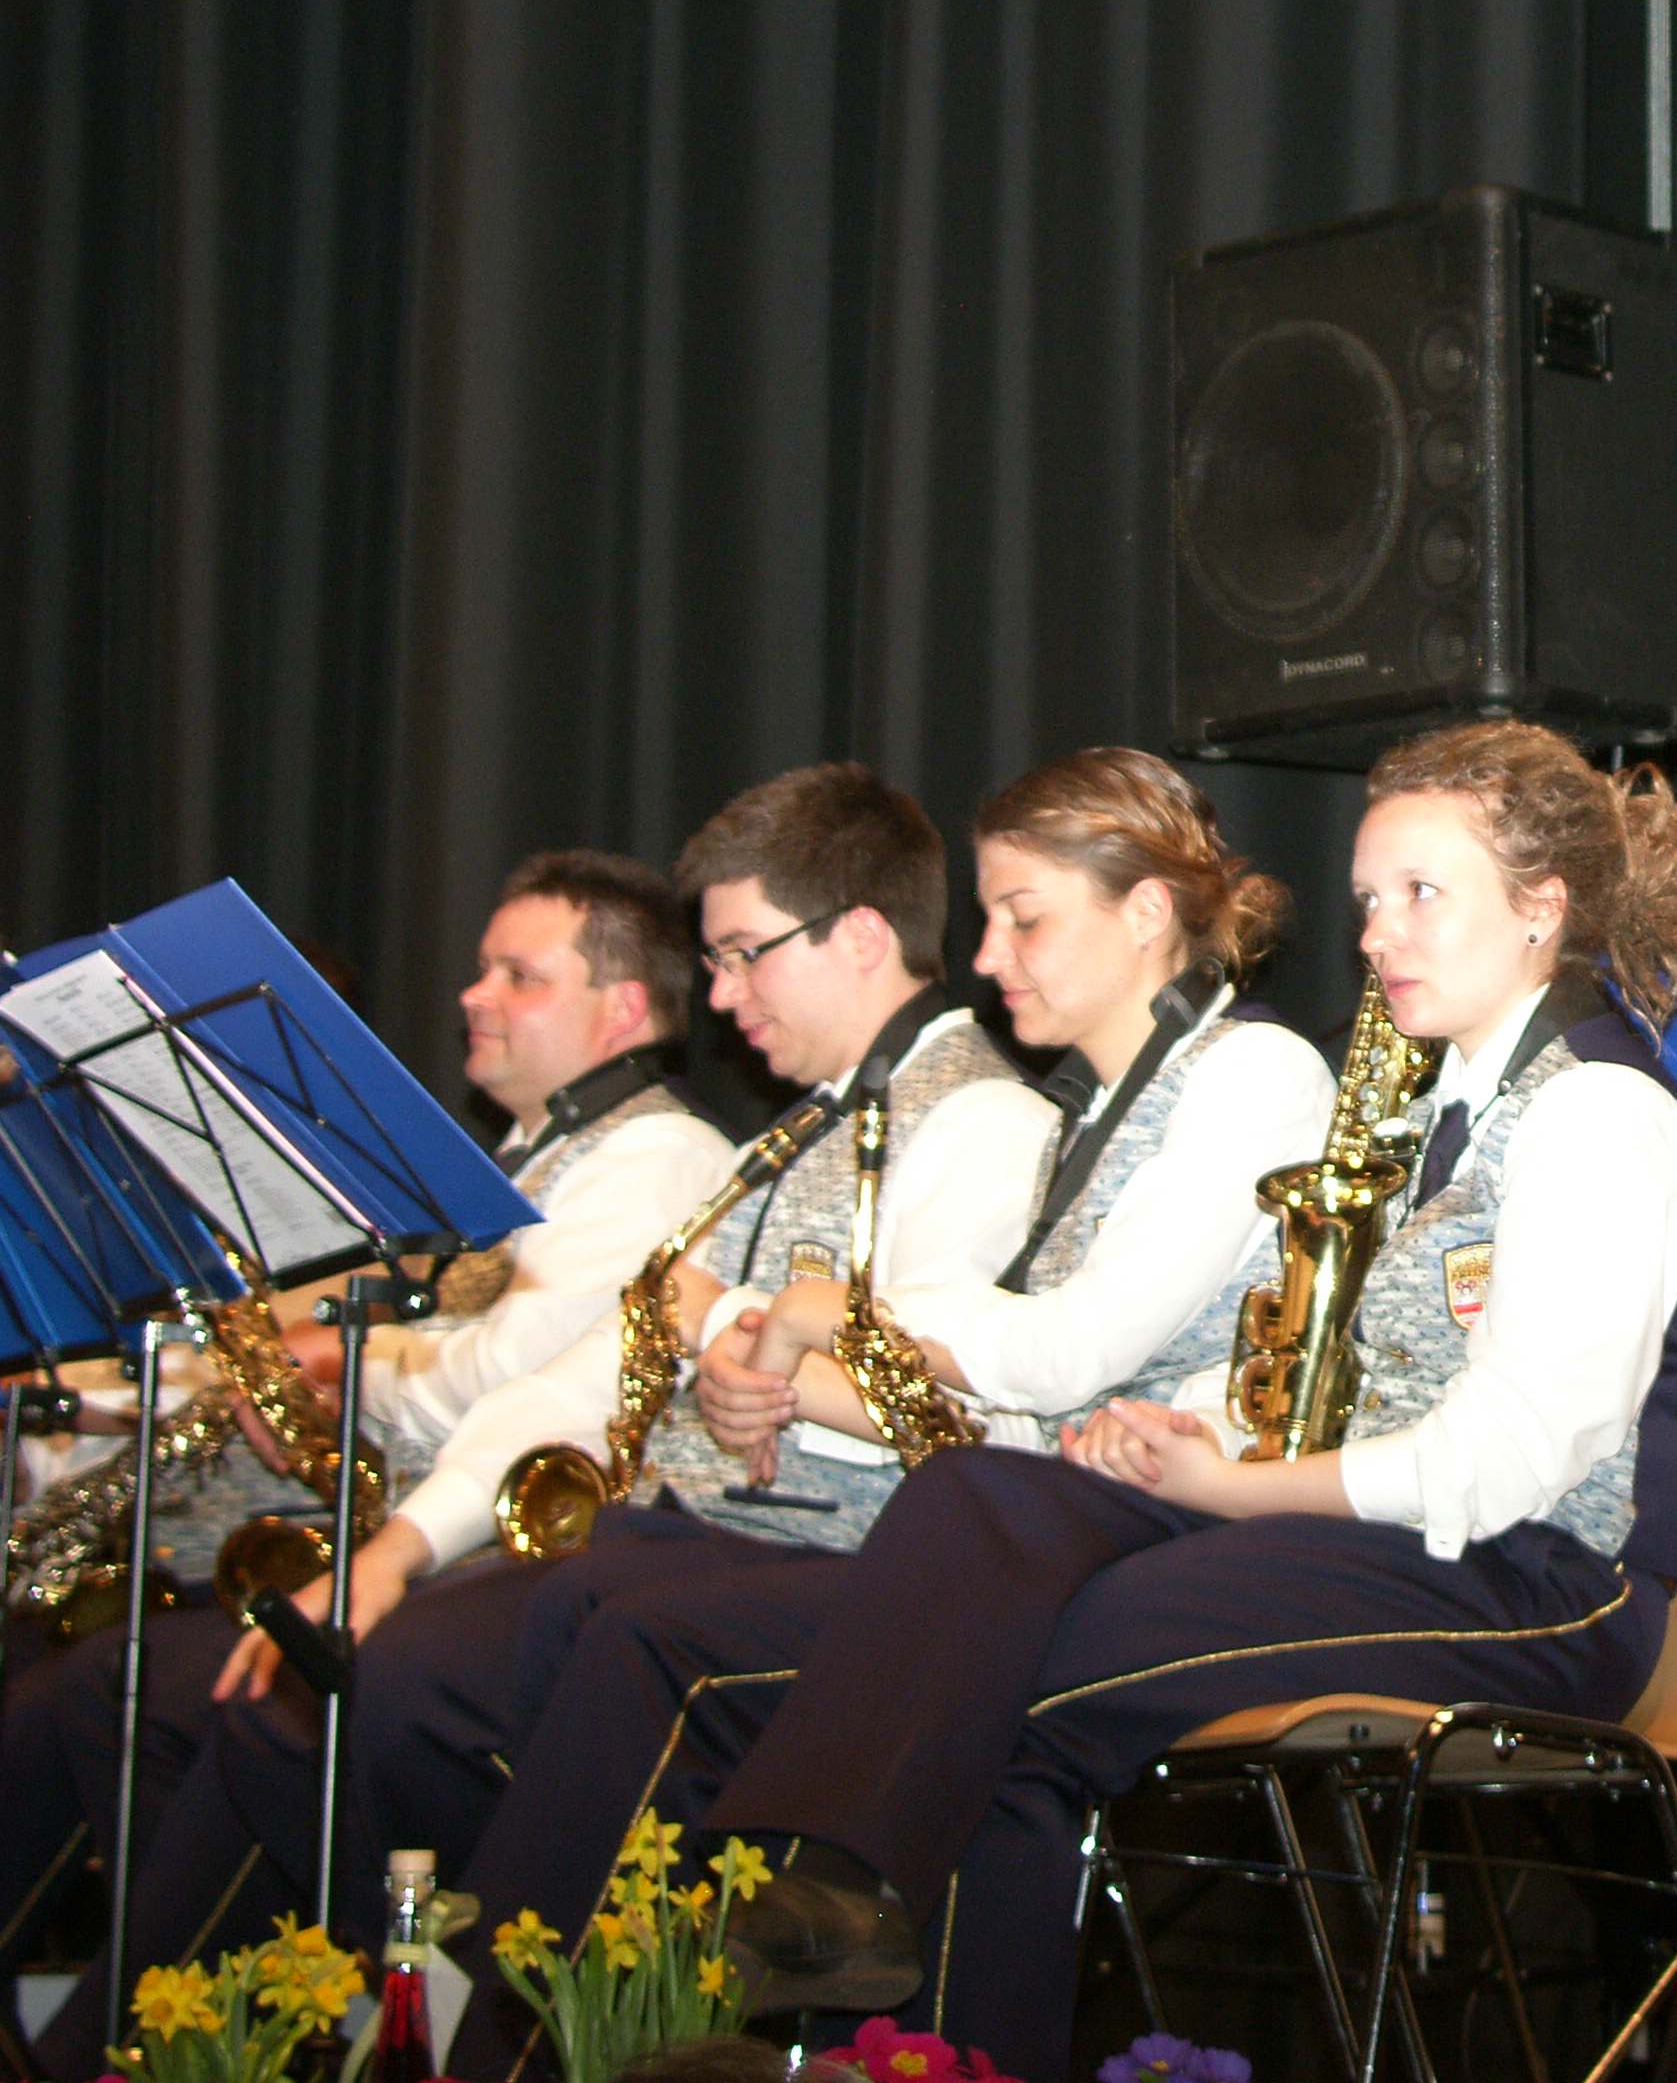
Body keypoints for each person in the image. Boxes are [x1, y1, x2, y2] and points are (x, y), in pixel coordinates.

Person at [488, 721, 1677, 2083]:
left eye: (1421, 895)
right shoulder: (1444, 1110)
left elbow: (1507, 1461)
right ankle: (852, 1930)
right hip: (1400, 1541)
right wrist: (1189, 1426)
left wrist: (1230, 1487)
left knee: (1012, 1657)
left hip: (1548, 1590)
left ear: (1543, 908)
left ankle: (849, 1930)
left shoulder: (1600, 1114)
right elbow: (1337, 1371)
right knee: (984, 1502)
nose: (1379, 935)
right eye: (1369, 899)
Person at [28, 766, 1053, 2083]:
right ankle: (230, 2042)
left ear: (858, 936)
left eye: (742, 954)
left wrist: (740, 1334)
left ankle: (424, 2032)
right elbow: (585, 1374)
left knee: (379, 1703)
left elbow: (942, 1418)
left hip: (802, 1572)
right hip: (674, 1545)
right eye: (714, 961)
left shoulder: (976, 1120)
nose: (719, 999)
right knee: (309, 1697)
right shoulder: (797, 1135)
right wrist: (399, 1548)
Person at [428, 748, 1333, 2077]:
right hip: (1039, 1522)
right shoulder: (1086, 1110)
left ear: (1146, 913)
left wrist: (828, 1321)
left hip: (1167, 1534)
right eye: (989, 917)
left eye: (1023, 917)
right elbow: (1014, 1404)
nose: (988, 955)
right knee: (618, 1607)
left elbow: (1070, 1351)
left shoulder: (1254, 1074)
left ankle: (791, 1907)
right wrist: (821, 1348)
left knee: (657, 1643)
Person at [0, 852, 728, 2036]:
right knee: (110, 1695)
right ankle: (170, 2034)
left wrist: (349, 1360)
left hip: (496, 1571)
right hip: (423, 1558)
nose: (473, 995)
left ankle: (179, 2038)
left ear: (625, 1009)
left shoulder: (657, 1158)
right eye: (482, 968)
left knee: (147, 1693)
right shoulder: (522, 1159)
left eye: (519, 975)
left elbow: (505, 1376)